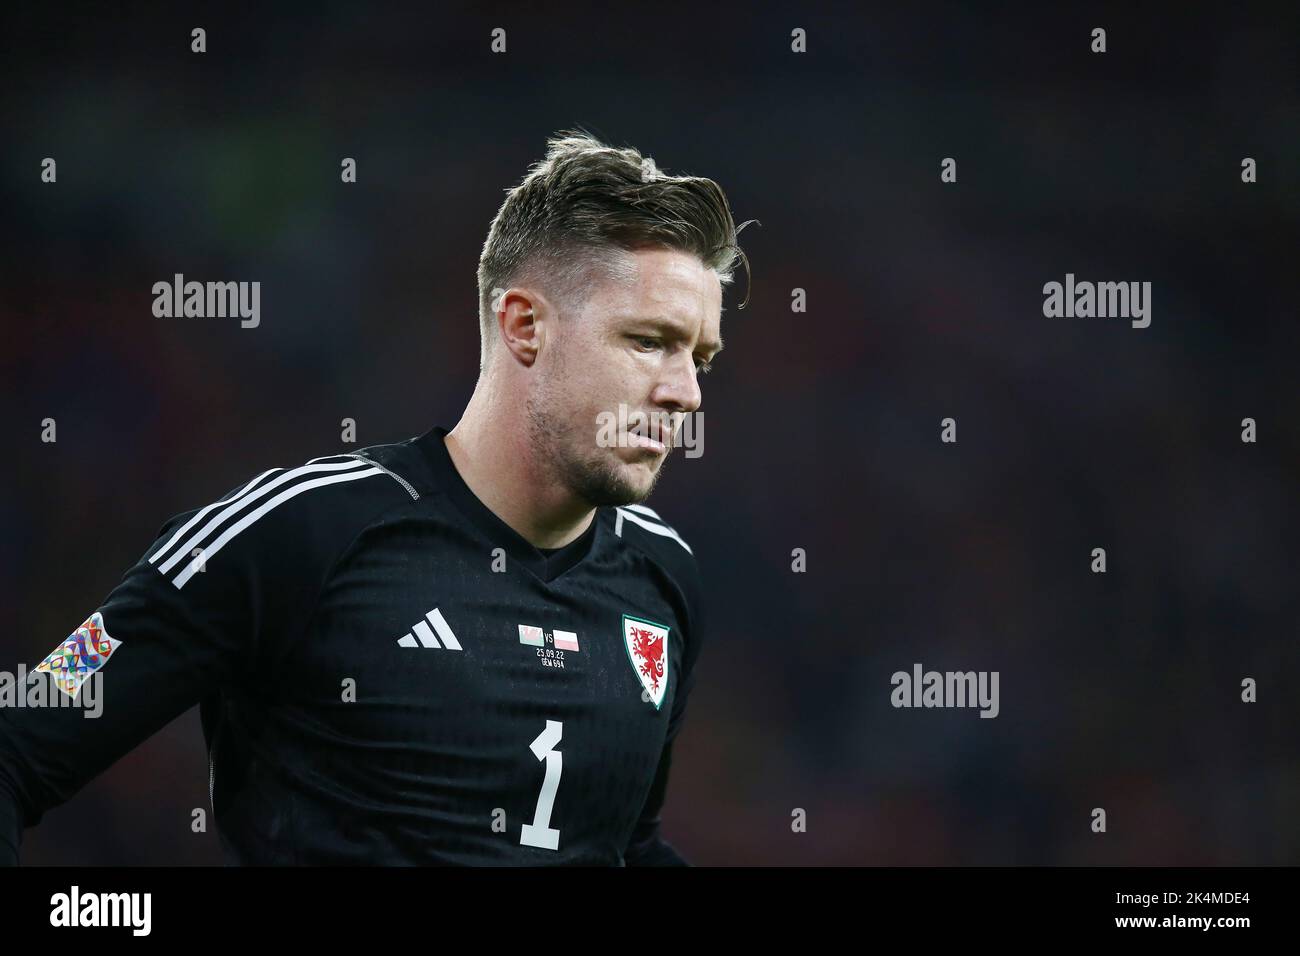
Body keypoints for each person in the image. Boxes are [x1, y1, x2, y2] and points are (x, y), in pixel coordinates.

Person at [0, 130, 750, 864]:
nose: (684, 393)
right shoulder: (298, 532)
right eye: (649, 341)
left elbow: (622, 842)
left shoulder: (661, 575)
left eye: (701, 359)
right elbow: (18, 749)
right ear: (525, 327)